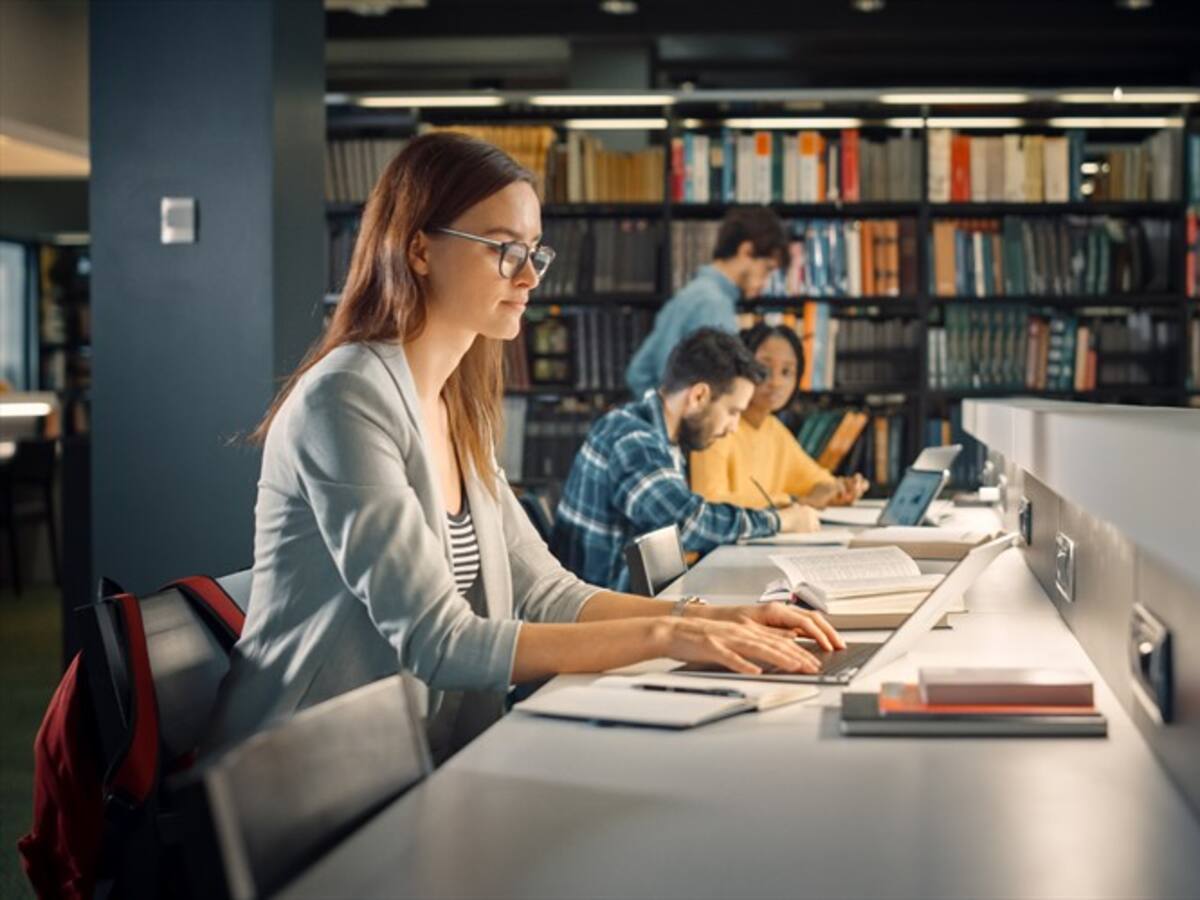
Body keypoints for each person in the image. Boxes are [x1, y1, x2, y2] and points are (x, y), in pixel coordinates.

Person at [204, 134, 842, 764]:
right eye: (505, 250)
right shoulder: (345, 398)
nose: (531, 274)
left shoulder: (458, 406)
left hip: (411, 758)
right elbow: (437, 640)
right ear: (420, 249)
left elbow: (549, 593)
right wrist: (669, 634)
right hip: (297, 783)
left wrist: (713, 618)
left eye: (536, 251)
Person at [551, 327, 822, 592]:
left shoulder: (660, 436)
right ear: (699, 396)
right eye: (732, 411)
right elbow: (685, 522)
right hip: (605, 617)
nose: (733, 427)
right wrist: (779, 521)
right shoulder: (632, 439)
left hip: (635, 604)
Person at [691, 323, 870, 510]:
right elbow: (709, 502)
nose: (776, 382)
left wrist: (840, 489)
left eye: (786, 372)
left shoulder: (774, 429)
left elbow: (818, 481)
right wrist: (791, 502)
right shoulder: (716, 426)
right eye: (764, 370)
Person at [625, 206, 787, 396]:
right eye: (767, 269)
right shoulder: (714, 304)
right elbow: (718, 392)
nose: (765, 284)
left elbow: (638, 373)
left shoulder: (693, 293)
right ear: (746, 251)